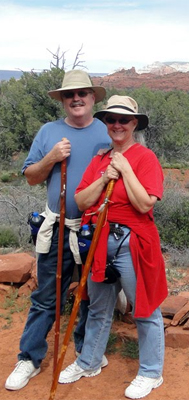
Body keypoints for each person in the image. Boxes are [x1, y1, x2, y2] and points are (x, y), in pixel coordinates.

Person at [5, 70, 112, 391]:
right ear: (63, 101)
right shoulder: (49, 132)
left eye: (82, 93)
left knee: (91, 295)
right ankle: (30, 358)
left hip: (93, 229)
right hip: (58, 227)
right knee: (45, 295)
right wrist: (51, 158)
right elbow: (32, 177)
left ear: (93, 98)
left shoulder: (108, 133)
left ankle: (84, 350)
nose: (76, 99)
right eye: (69, 95)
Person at [58, 95, 168, 399]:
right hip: (100, 241)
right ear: (106, 123)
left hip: (133, 242)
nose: (117, 125)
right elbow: (81, 201)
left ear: (134, 123)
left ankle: (150, 372)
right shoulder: (99, 160)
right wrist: (105, 176)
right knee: (98, 307)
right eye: (111, 120)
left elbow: (146, 203)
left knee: (144, 309)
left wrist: (126, 170)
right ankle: (89, 361)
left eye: (124, 120)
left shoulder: (145, 158)